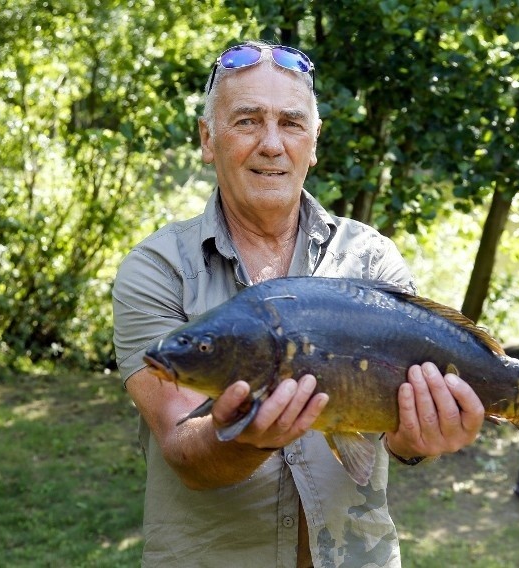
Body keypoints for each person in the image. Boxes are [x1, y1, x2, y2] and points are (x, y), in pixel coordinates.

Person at [112, 40, 484, 568]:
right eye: (246, 121)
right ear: (207, 139)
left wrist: (422, 436)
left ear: (313, 143)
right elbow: (185, 454)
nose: (271, 144)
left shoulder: (371, 260)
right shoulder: (157, 268)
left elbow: (399, 437)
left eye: (290, 123)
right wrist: (247, 438)